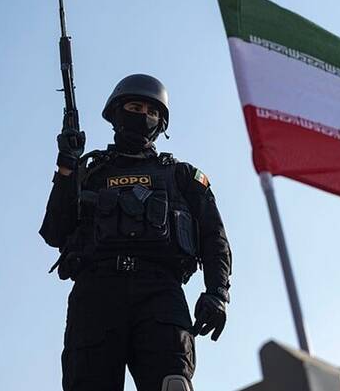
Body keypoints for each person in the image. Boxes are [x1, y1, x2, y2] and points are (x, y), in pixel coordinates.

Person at [39, 74, 232, 391]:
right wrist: (67, 167)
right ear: (117, 113)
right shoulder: (89, 172)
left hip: (160, 293)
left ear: (161, 123)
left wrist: (218, 293)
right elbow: (55, 233)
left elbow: (214, 238)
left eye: (152, 111)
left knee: (172, 384)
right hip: (96, 295)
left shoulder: (182, 176)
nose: (143, 115)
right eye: (134, 107)